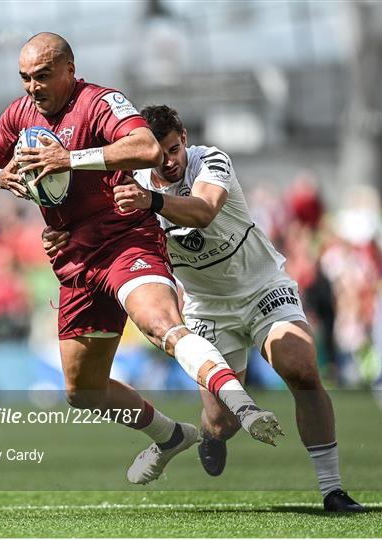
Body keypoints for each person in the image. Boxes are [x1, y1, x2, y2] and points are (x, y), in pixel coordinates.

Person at [0, 33, 282, 485]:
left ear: (69, 71)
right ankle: (171, 435)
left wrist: (69, 159)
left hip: (124, 241)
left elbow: (146, 148)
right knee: (84, 391)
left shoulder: (100, 102)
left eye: (42, 76)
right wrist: (4, 177)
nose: (32, 87)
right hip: (75, 259)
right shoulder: (18, 115)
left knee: (162, 327)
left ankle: (244, 405)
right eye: (24, 78)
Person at [43, 104, 365, 511]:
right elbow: (93, 228)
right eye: (160, 155)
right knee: (221, 422)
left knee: (300, 367)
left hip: (262, 287)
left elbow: (203, 211)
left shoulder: (209, 161)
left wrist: (150, 202)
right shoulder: (127, 183)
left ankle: (332, 489)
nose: (171, 161)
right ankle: (209, 437)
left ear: (185, 140)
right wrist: (57, 236)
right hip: (207, 307)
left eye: (175, 149)